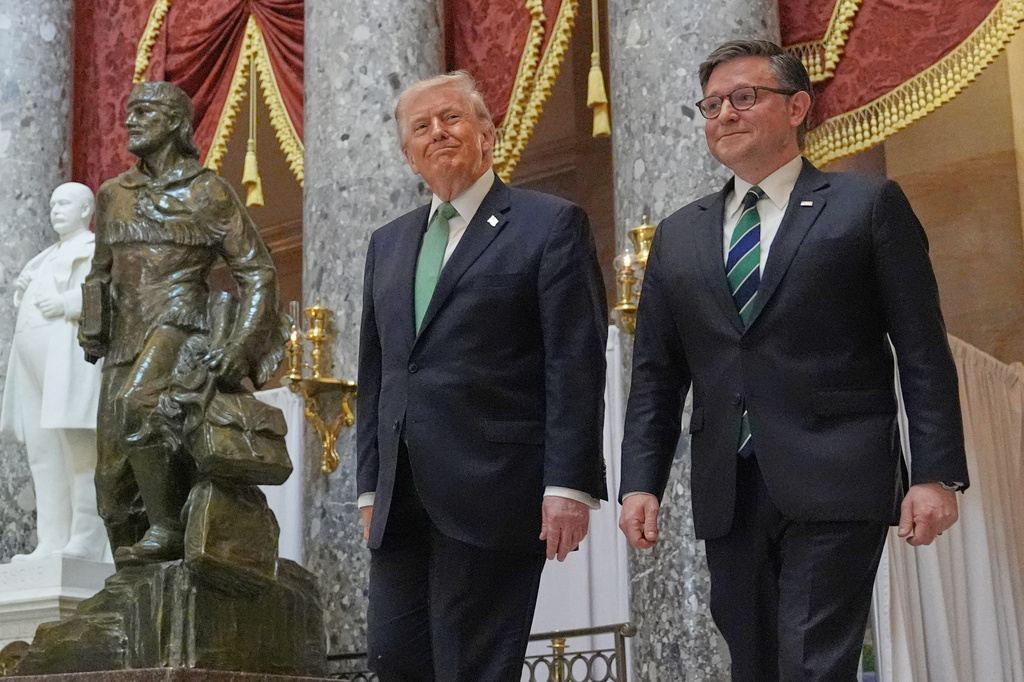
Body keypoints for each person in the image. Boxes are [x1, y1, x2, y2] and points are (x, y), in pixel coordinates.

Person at [618, 40, 969, 681]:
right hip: (729, 484)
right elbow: (656, 376)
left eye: (744, 98)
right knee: (754, 665)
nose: (724, 114)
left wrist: (937, 473)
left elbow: (921, 349)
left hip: (837, 472)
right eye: (712, 104)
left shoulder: (866, 206)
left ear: (797, 107)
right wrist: (640, 481)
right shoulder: (680, 234)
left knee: (811, 661)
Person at [357, 71, 608, 682]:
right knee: (395, 662)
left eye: (452, 118)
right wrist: (370, 486)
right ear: (407, 153)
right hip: (402, 498)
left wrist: (569, 485)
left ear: (488, 134)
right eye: (421, 126)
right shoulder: (387, 244)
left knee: (474, 667)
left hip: (496, 489)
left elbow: (574, 363)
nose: (437, 132)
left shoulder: (548, 224)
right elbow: (377, 375)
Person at [78, 81, 281, 568]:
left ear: (174, 122)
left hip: (180, 324)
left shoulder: (207, 191)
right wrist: (92, 328)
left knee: (139, 407)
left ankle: (169, 529)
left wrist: (241, 344)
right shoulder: (113, 195)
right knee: (110, 483)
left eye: (144, 112)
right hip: (124, 338)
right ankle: (133, 592)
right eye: (129, 112)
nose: (130, 122)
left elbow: (257, 270)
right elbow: (99, 271)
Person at [1, 182, 108, 563]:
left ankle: (86, 537)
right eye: (51, 204)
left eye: (64, 203)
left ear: (86, 210)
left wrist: (65, 302)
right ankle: (51, 539)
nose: (55, 210)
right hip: (32, 364)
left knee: (79, 451)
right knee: (43, 453)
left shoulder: (96, 249)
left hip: (70, 359)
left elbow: (111, 293)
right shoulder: (44, 257)